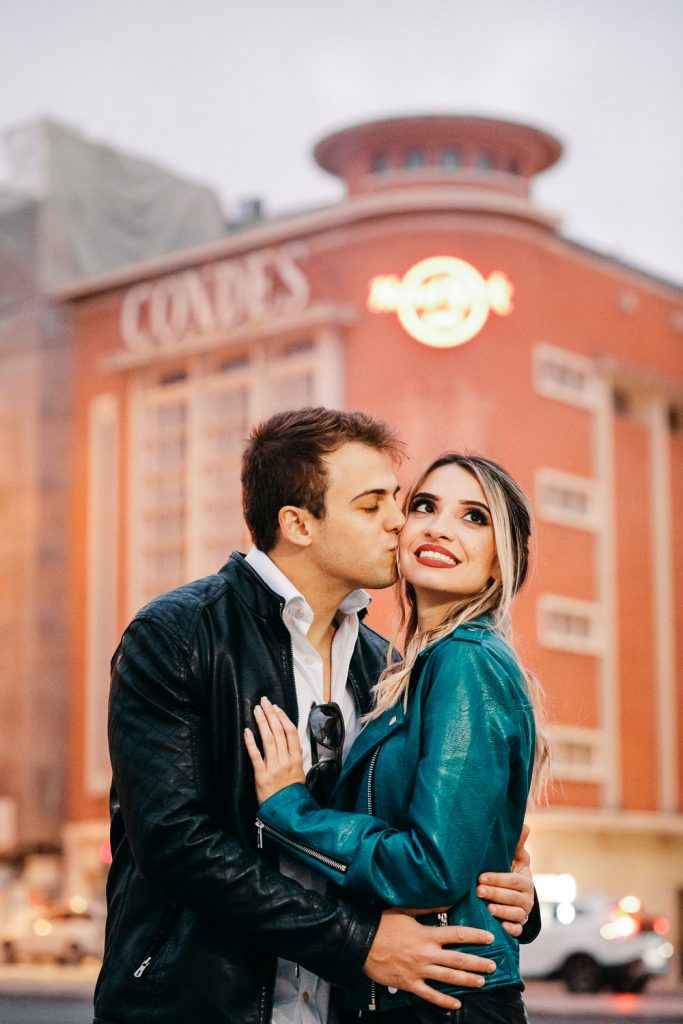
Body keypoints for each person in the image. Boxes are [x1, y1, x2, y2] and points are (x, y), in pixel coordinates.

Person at [94, 409, 538, 1024]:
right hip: (202, 1003)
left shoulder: (386, 665)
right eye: (372, 504)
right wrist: (358, 944)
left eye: (398, 499)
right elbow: (176, 844)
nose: (400, 521)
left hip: (344, 1007)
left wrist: (503, 889)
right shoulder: (180, 635)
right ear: (299, 524)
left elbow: (420, 836)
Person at [245, 451, 548, 1023]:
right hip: (422, 993)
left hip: (441, 998)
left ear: (500, 565)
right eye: (425, 506)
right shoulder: (407, 667)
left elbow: (431, 869)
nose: (438, 527)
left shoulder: (465, 661)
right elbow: (462, 848)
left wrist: (290, 811)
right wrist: (515, 892)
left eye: (474, 518)